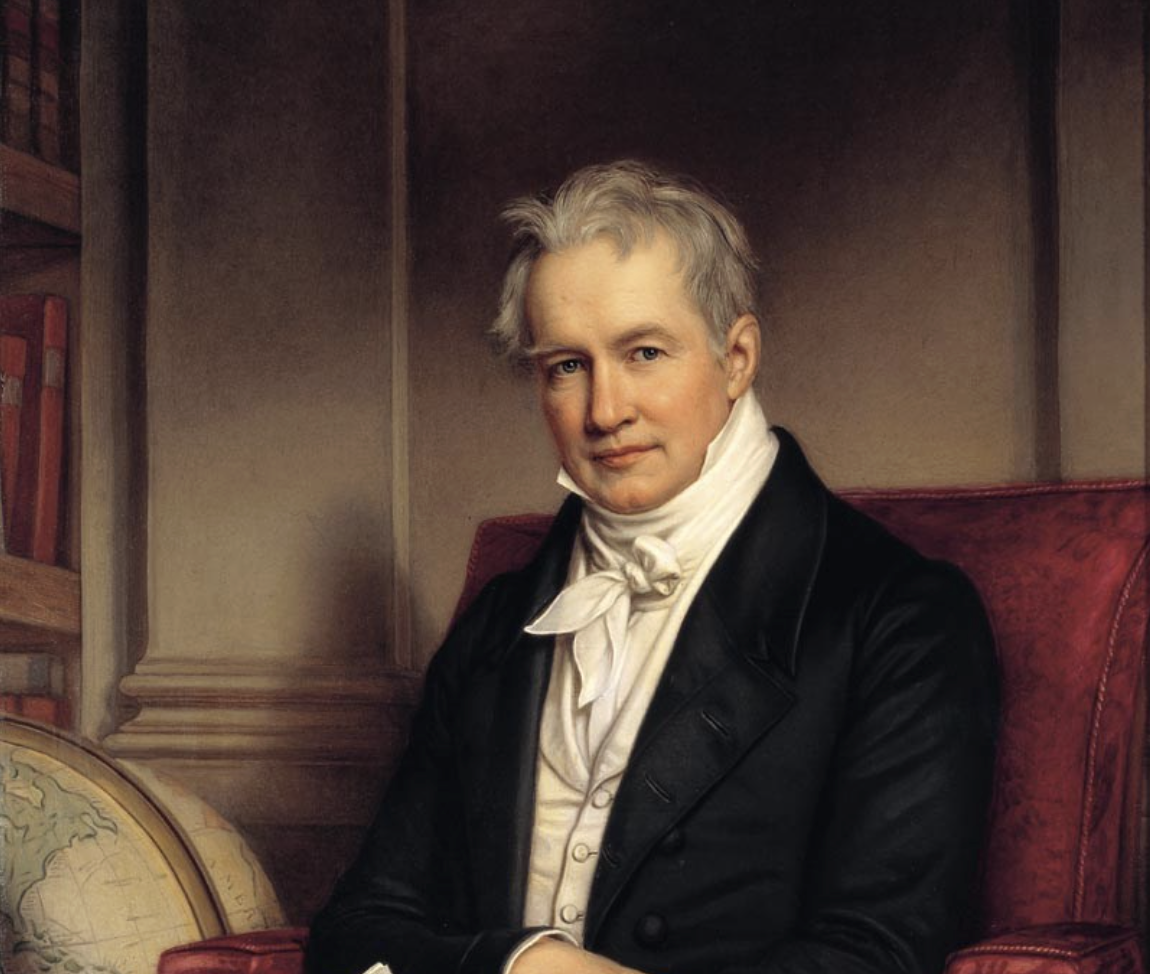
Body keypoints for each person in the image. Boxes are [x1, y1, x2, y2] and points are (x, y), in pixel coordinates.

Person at [306, 161, 999, 974]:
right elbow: (360, 927)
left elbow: (876, 957)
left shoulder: (898, 618)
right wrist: (524, 964)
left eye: (643, 353)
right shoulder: (500, 625)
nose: (605, 412)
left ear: (736, 357)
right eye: (567, 366)